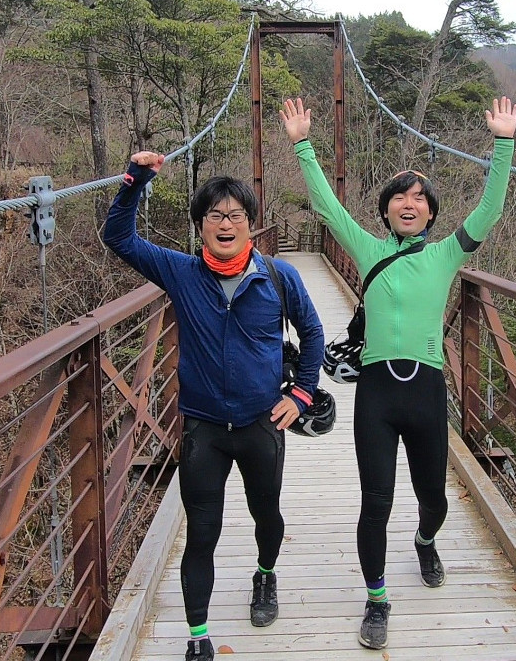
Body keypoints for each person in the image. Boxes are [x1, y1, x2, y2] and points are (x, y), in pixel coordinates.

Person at [280, 96, 516, 650]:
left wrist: (503, 144)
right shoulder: (367, 251)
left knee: (433, 496)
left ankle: (425, 539)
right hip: (379, 393)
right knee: (376, 501)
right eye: (398, 198)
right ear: (386, 210)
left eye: (419, 199)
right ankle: (377, 598)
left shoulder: (445, 256)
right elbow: (327, 209)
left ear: (431, 214)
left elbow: (489, 212)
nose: (408, 204)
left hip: (428, 390)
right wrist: (302, 145)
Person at [103, 151, 324, 661]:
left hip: (261, 424)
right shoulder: (181, 272)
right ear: (201, 224)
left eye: (236, 216)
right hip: (204, 428)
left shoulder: (278, 275)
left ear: (250, 225)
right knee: (202, 531)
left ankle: (265, 575)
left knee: (266, 514)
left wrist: (300, 394)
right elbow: (118, 239)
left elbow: (312, 334)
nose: (226, 224)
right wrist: (135, 180)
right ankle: (198, 636)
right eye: (215, 216)